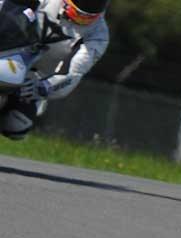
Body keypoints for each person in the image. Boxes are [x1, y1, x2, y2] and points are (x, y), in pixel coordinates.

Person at [1, 0, 110, 140]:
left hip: (33, 80)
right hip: (9, 54)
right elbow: (7, 8)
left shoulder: (98, 36)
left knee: (17, 125)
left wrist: (42, 87)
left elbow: (73, 73)